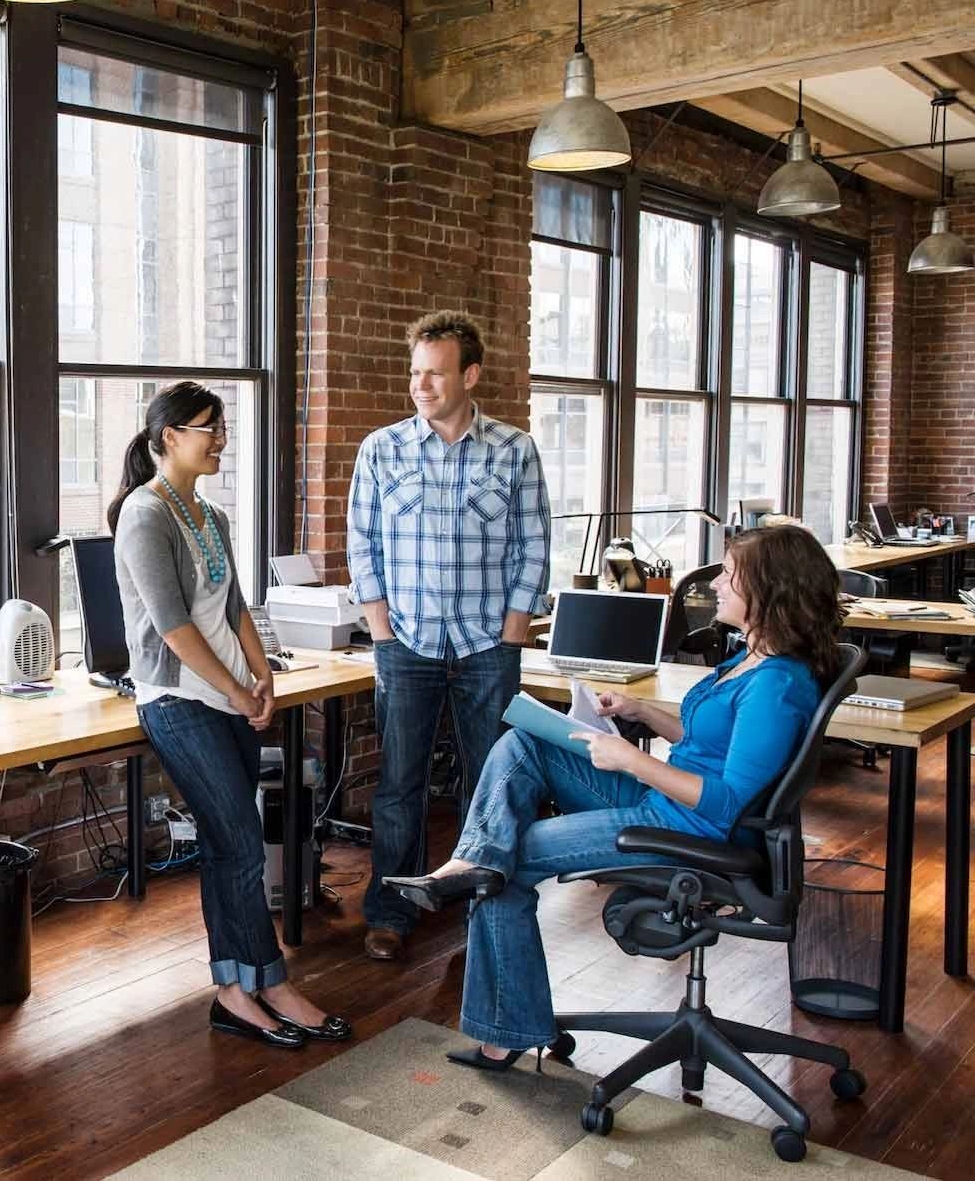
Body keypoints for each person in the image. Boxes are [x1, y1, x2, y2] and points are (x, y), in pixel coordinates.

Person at [383, 525, 842, 1068]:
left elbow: (726, 802)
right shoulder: (751, 660)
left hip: (691, 831)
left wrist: (630, 758)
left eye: (729, 574)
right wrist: (642, 714)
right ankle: (469, 860)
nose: (716, 584)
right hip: (665, 804)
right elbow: (712, 749)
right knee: (526, 741)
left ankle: (505, 1027)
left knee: (508, 858)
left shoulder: (775, 684)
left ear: (770, 590)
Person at [111, 381, 349, 1050]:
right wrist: (239, 692)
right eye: (208, 428)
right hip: (178, 700)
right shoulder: (144, 514)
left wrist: (262, 672)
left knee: (228, 848)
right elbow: (174, 628)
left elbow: (236, 606)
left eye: (222, 427)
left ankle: (234, 989)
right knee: (243, 843)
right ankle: (266, 983)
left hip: (225, 696)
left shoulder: (207, 515)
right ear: (169, 438)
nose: (220, 439)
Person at [347, 311, 550, 962]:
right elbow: (362, 545)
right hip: (406, 643)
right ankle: (391, 910)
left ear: (470, 374)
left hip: (488, 644)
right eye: (416, 373)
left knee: (489, 784)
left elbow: (534, 545)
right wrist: (380, 630)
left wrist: (513, 632)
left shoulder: (513, 449)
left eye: (435, 373)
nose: (421, 385)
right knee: (399, 785)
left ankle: (481, 911)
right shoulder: (383, 449)